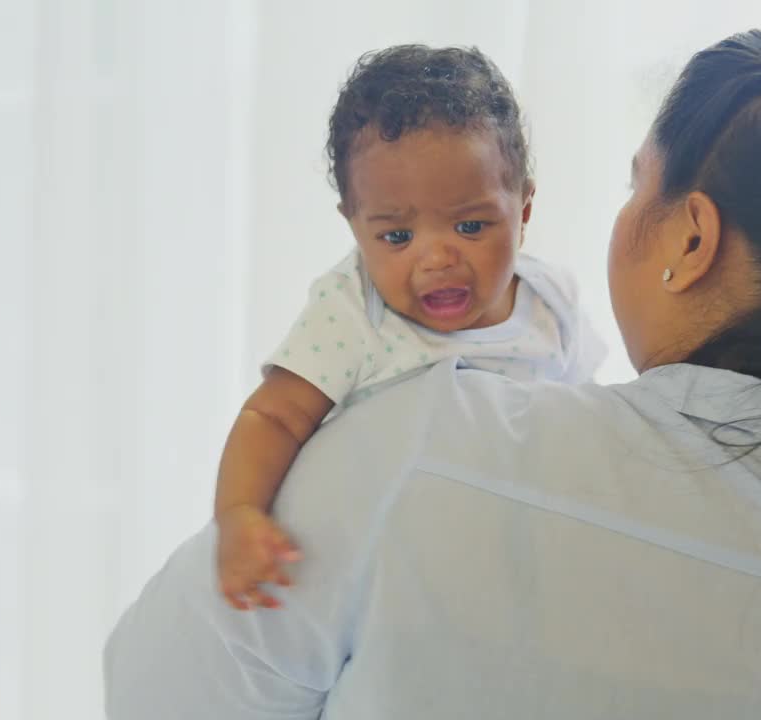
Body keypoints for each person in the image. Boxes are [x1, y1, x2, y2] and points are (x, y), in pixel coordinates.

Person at [105, 22, 761, 719]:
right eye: (395, 232)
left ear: (693, 238)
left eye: (635, 184)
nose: (437, 258)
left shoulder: (422, 447)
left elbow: (156, 688)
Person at [212, 45, 604, 610]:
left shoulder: (550, 301)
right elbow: (273, 415)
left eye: (470, 226)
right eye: (396, 237)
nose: (436, 259)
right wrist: (240, 514)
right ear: (355, 226)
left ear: (523, 209)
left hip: (510, 556)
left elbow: (585, 420)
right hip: (391, 567)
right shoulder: (354, 310)